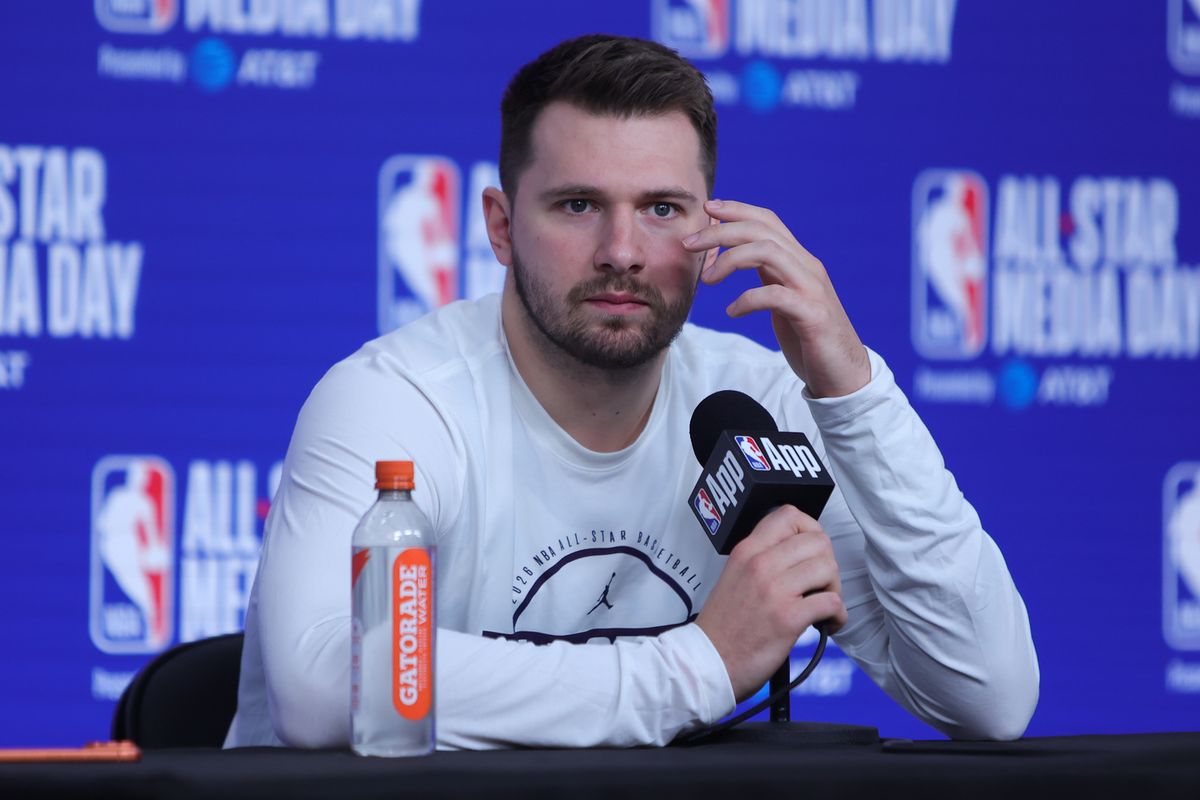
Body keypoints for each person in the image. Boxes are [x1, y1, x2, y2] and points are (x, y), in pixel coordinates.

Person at [224, 34, 1038, 750]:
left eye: (661, 209)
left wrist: (854, 391)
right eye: (578, 205)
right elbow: (328, 684)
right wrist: (698, 664)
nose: (623, 250)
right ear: (501, 226)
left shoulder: (757, 406)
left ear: (712, 224)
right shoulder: (395, 401)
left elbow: (989, 698)